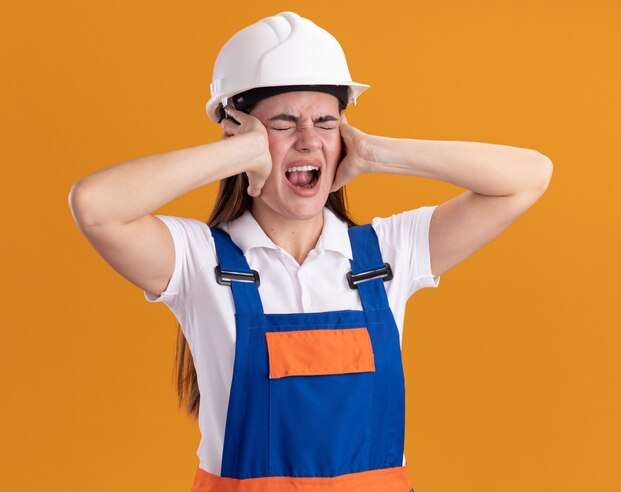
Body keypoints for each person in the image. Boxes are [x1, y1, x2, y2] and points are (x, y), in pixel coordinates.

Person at [68, 11, 552, 492]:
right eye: (282, 122)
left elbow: (529, 177)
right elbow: (95, 205)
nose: (307, 140)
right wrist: (236, 155)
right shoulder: (200, 262)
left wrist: (378, 153)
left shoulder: (387, 255)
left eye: (325, 121)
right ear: (241, 133)